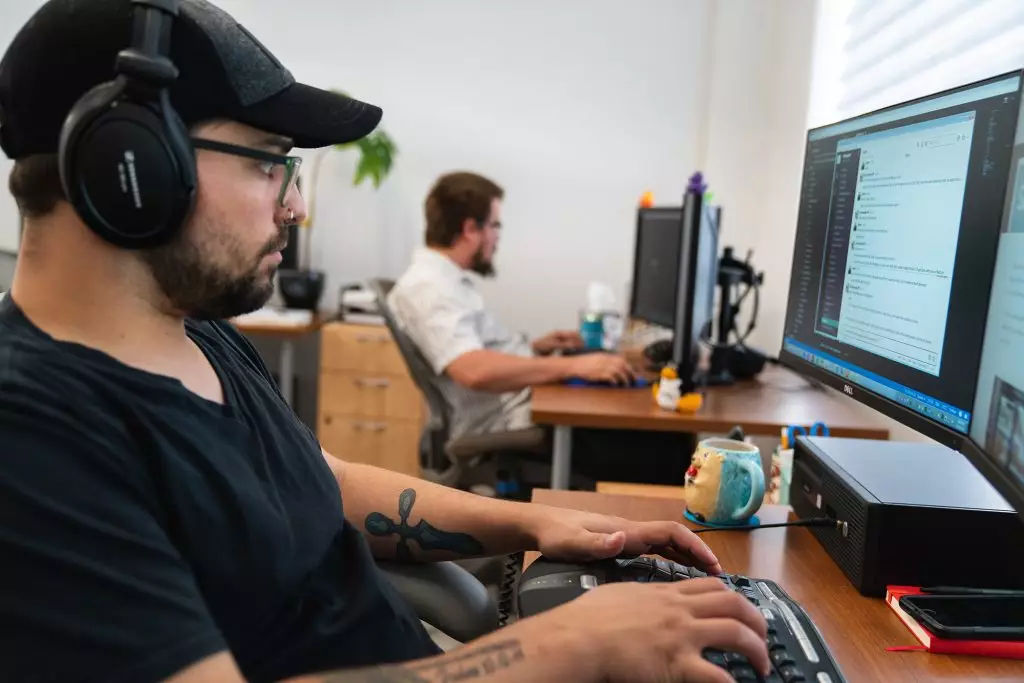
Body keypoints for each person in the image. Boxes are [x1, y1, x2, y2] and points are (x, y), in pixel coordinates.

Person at [0, 1, 767, 682]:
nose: (296, 203)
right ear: (131, 163)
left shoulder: (195, 332)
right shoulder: (33, 443)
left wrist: (539, 523)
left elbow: (319, 482)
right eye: (272, 161)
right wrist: (567, 645)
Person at [389, 173, 695, 484]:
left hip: (525, 407)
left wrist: (535, 348)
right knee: (668, 451)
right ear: (470, 229)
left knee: (661, 434)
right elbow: (473, 370)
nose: (497, 237)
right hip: (513, 427)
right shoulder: (429, 288)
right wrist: (573, 365)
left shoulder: (447, 281)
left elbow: (474, 350)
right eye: (495, 225)